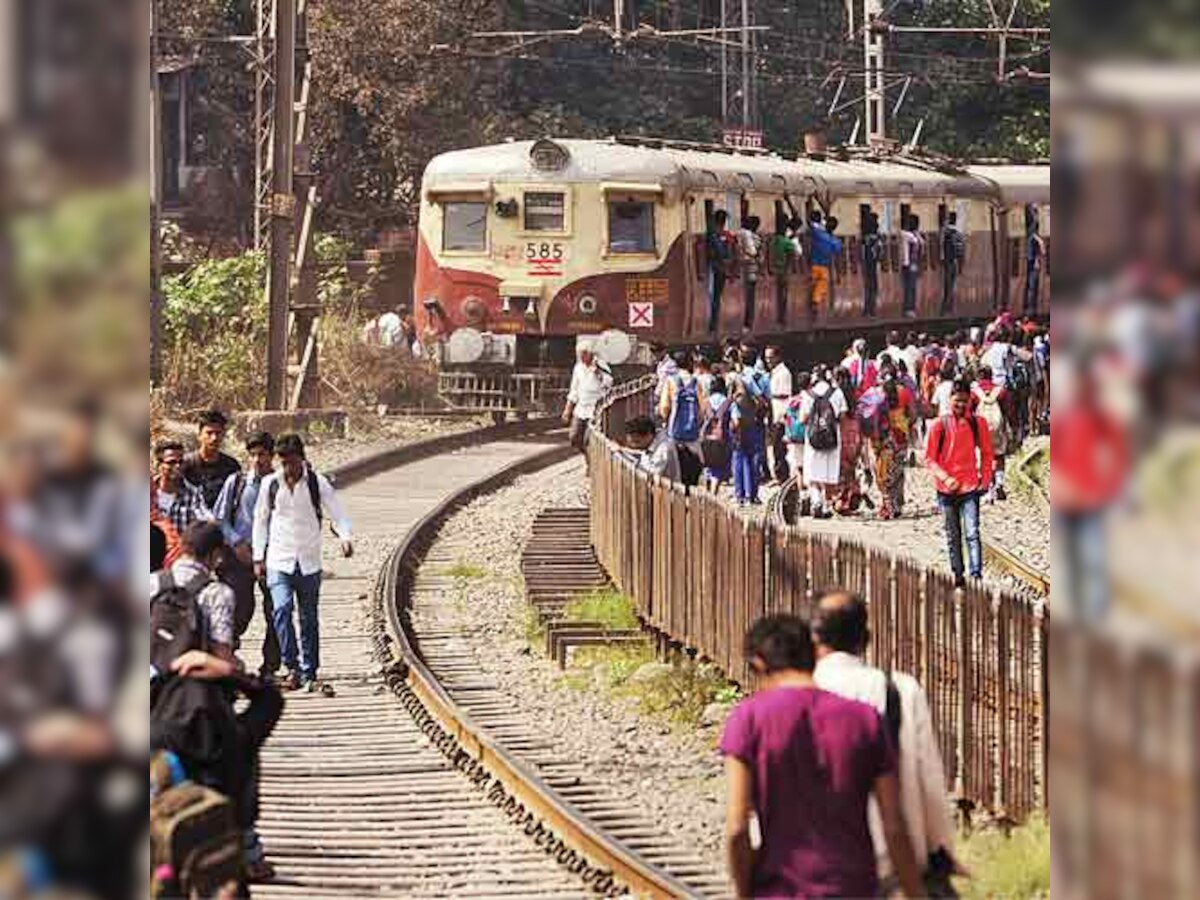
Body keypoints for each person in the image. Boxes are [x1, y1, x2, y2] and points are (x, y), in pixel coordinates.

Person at [721, 614, 923, 900]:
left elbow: (737, 828)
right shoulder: (865, 719)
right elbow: (894, 826)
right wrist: (915, 893)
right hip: (854, 889)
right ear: (814, 655)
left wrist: (744, 893)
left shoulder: (749, 717)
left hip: (779, 891)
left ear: (758, 664)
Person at [812, 591, 961, 896]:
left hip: (818, 867)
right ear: (865, 638)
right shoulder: (900, 690)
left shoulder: (793, 697)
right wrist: (941, 849)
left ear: (814, 639)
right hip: (893, 868)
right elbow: (929, 782)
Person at [252, 433, 353, 695]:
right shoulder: (270, 484)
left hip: (308, 561)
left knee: (309, 618)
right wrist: (258, 557)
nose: (289, 469)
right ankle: (292, 666)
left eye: (293, 463)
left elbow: (338, 513)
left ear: (302, 459)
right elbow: (260, 520)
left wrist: (345, 537)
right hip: (279, 559)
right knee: (282, 610)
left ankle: (310, 671)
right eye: (284, 463)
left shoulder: (317, 484)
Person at [1050, 364, 1130, 623]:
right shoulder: (1064, 418)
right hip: (1068, 495)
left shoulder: (1104, 420)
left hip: (1092, 495)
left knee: (1093, 553)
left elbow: (1118, 457)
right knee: (1072, 553)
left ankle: (1095, 613)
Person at [213, 432, 282, 679]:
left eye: (262, 454)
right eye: (252, 455)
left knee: (276, 611)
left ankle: (271, 666)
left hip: (273, 557)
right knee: (238, 610)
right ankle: (227, 660)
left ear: (272, 456)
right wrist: (237, 543)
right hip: (239, 557)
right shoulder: (237, 481)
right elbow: (220, 518)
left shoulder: (282, 484)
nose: (257, 460)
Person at [926, 380, 996, 587]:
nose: (961, 406)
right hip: (946, 488)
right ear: (950, 400)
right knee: (952, 533)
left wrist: (986, 479)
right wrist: (945, 477)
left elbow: (987, 452)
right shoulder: (939, 425)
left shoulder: (978, 423)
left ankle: (976, 575)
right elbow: (929, 458)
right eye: (957, 402)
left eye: (965, 402)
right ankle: (958, 573)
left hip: (970, 486)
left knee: (972, 532)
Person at [798, 366, 848, 519]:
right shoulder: (837, 392)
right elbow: (843, 415)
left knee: (813, 472)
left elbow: (803, 419)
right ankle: (826, 506)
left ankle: (816, 501)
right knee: (829, 473)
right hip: (832, 436)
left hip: (813, 438)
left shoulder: (807, 394)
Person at [870, 376, 916, 520]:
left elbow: (872, 420)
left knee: (883, 474)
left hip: (884, 440)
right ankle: (897, 505)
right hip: (901, 436)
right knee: (898, 472)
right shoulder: (905, 392)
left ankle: (888, 506)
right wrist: (906, 425)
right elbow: (913, 414)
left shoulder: (877, 397)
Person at [658, 350, 707, 487]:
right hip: (691, 435)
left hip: (674, 434)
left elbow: (664, 408)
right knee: (692, 470)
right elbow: (702, 411)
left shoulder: (671, 381)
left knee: (674, 470)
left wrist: (665, 420)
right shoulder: (696, 382)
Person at [182, 410, 242, 511]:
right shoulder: (186, 463)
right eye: (209, 433)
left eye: (218, 433)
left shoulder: (231, 466)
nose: (214, 438)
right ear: (200, 435)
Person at [154, 439, 213, 536]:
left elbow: (204, 515)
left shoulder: (192, 493)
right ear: (159, 465)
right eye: (171, 462)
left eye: (180, 462)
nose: (177, 466)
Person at [563, 347, 614, 455]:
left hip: (596, 409)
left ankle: (590, 460)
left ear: (590, 354)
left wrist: (598, 373)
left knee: (589, 439)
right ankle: (586, 455)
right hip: (581, 408)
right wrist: (568, 409)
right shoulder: (578, 368)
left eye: (583, 354)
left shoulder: (600, 365)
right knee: (574, 436)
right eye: (579, 354)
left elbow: (609, 383)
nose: (581, 357)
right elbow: (574, 390)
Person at [971, 365, 1010, 502]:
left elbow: (970, 412)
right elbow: (1008, 410)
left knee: (983, 456)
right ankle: (999, 482)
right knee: (999, 455)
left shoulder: (974, 392)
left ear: (979, 376)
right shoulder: (1000, 391)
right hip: (998, 427)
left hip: (981, 428)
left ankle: (987, 486)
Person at [832, 367, 866, 515]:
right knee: (851, 466)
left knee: (841, 469)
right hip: (855, 431)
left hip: (841, 432)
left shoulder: (836, 394)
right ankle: (855, 490)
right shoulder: (855, 392)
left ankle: (842, 500)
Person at [729, 379, 764, 506]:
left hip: (739, 433)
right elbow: (761, 403)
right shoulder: (753, 401)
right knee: (752, 464)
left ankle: (740, 495)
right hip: (752, 429)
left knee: (739, 464)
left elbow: (736, 422)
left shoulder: (735, 404)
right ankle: (752, 495)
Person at [807, 209, 843, 323]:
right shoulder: (836, 242)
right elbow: (837, 259)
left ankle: (813, 306)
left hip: (812, 266)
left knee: (811, 287)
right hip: (824, 268)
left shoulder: (818, 234)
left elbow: (811, 223)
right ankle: (815, 303)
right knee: (821, 288)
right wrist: (838, 274)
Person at [700, 371, 734, 488]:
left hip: (707, 437)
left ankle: (707, 485)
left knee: (708, 463)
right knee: (719, 466)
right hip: (723, 437)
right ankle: (714, 490)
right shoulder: (727, 402)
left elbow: (701, 417)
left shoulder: (706, 401)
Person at [623, 415, 681, 483]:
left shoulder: (664, 448)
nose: (634, 446)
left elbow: (650, 472)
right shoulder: (650, 445)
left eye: (637, 442)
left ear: (648, 435)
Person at [764, 346, 793, 484]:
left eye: (770, 357)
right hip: (774, 410)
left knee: (779, 447)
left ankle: (782, 476)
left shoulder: (784, 372)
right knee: (775, 446)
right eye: (766, 358)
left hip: (780, 412)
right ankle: (778, 474)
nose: (768, 361)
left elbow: (785, 394)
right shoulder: (774, 372)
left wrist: (769, 395)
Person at [706, 209, 737, 334]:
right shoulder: (728, 235)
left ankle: (712, 324)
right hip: (723, 268)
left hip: (714, 268)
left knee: (712, 295)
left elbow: (719, 250)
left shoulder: (712, 234)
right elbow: (731, 251)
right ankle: (714, 324)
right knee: (717, 297)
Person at [768, 216, 798, 328]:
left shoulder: (773, 240)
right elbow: (793, 255)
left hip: (774, 270)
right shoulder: (787, 242)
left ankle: (779, 318)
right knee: (783, 295)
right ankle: (782, 319)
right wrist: (789, 267)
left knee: (778, 295)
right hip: (783, 271)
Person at [738, 215, 764, 331]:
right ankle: (748, 323)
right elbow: (757, 254)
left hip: (746, 270)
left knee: (747, 297)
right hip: (753, 270)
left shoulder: (745, 235)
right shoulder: (757, 238)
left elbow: (752, 252)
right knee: (750, 298)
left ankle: (747, 323)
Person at [940, 211, 966, 314]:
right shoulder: (958, 234)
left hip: (947, 262)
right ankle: (949, 307)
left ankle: (945, 307)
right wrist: (961, 265)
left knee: (947, 285)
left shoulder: (944, 232)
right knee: (951, 285)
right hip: (954, 261)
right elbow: (961, 250)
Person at [900, 215, 925, 318]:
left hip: (908, 264)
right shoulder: (909, 235)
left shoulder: (907, 235)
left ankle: (909, 308)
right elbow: (921, 243)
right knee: (911, 288)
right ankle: (909, 308)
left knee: (910, 287)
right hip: (911, 264)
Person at [1023, 213, 1045, 314]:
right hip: (1031, 261)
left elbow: (1042, 250)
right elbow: (1042, 251)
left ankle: (1030, 306)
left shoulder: (1033, 238)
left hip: (1032, 261)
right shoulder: (1033, 238)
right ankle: (1029, 306)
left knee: (1031, 285)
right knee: (1031, 284)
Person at [862, 212, 883, 316]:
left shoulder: (865, 237)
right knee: (873, 286)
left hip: (867, 262)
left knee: (868, 286)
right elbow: (879, 251)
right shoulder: (875, 237)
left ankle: (868, 309)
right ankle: (871, 309)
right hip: (873, 264)